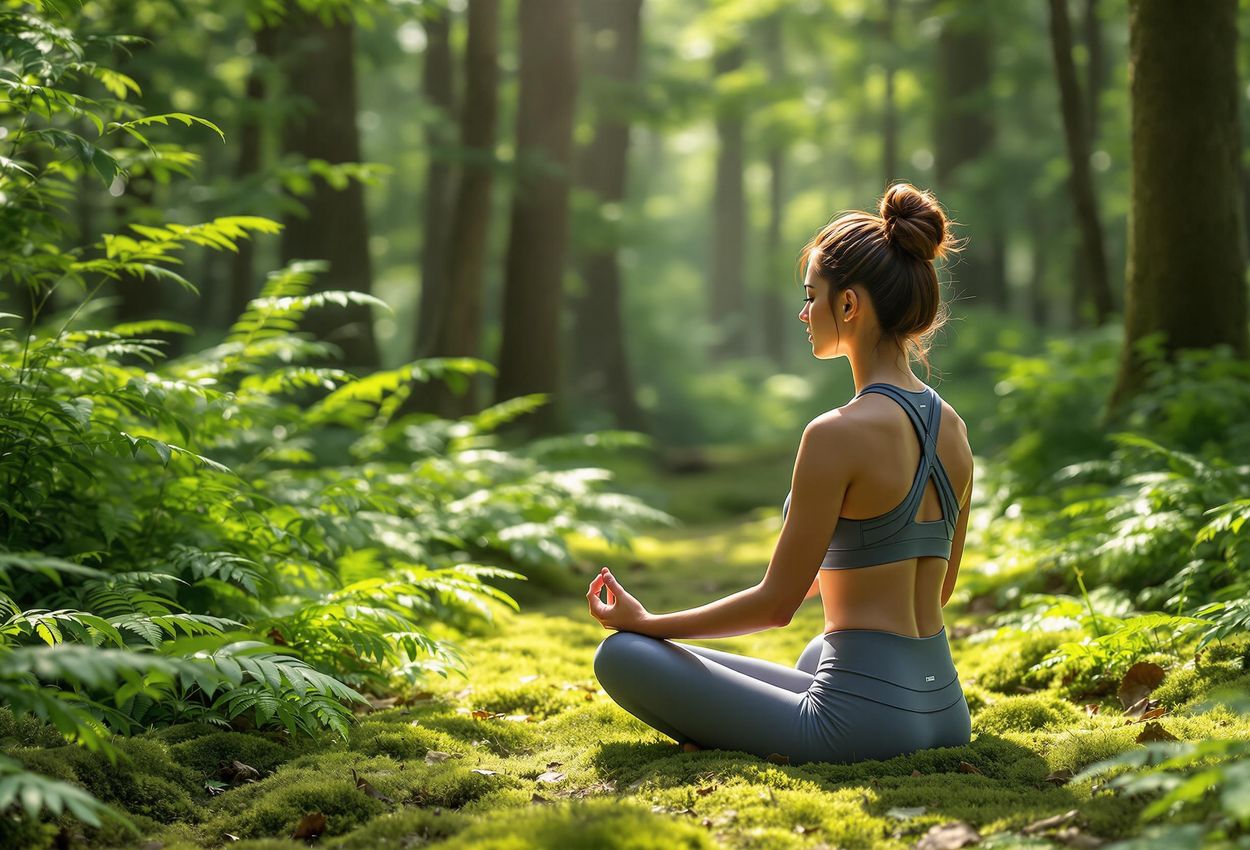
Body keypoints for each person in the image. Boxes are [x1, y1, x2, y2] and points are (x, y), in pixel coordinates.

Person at [587, 183, 975, 766]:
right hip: (945, 710)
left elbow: (774, 606)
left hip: (861, 727)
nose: (803, 313)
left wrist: (648, 623)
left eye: (812, 296)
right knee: (819, 653)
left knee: (623, 654)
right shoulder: (955, 430)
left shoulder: (835, 433)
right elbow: (936, 589)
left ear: (849, 306)